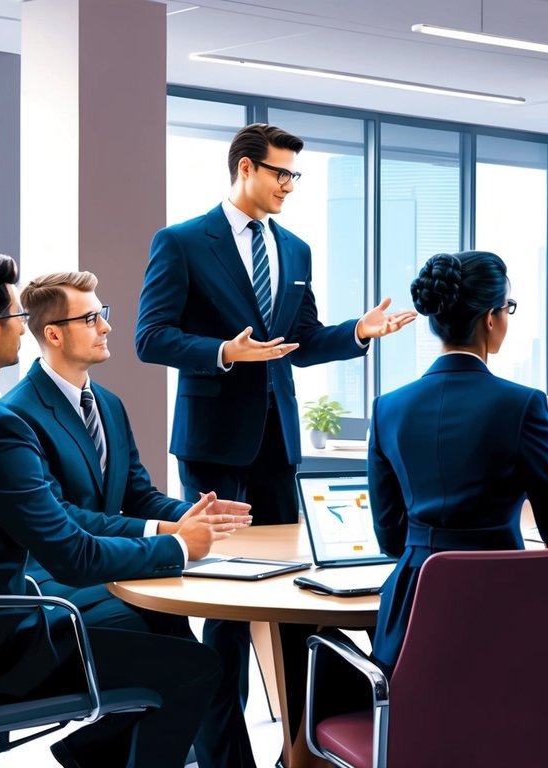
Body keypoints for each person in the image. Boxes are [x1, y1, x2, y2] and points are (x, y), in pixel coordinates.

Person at [0, 255, 247, 768]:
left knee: (164, 634)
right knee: (196, 668)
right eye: (15, 317)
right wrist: (180, 546)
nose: (22, 329)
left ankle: (90, 756)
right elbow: (72, 556)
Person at [136, 123, 415, 767]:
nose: (290, 185)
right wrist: (222, 353)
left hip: (277, 440)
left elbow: (305, 340)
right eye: (281, 173)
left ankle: (305, 744)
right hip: (213, 440)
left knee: (291, 591)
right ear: (245, 168)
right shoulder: (181, 242)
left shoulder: (295, 248)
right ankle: (221, 755)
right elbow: (150, 338)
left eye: (295, 175)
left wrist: (359, 333)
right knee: (227, 603)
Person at [5, 270, 258, 768]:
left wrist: (192, 513)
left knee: (192, 654)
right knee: (188, 660)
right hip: (56, 578)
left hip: (112, 567)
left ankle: (94, 749)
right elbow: (63, 516)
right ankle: (103, 749)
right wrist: (170, 534)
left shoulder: (110, 405)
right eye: (92, 317)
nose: (106, 327)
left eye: (104, 315)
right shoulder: (17, 414)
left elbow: (138, 493)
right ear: (53, 333)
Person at [368, 251, 548, 669]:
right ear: (491, 318)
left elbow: (390, 537)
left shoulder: (387, 409)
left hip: (413, 620)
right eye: (508, 308)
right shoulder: (523, 405)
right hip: (504, 613)